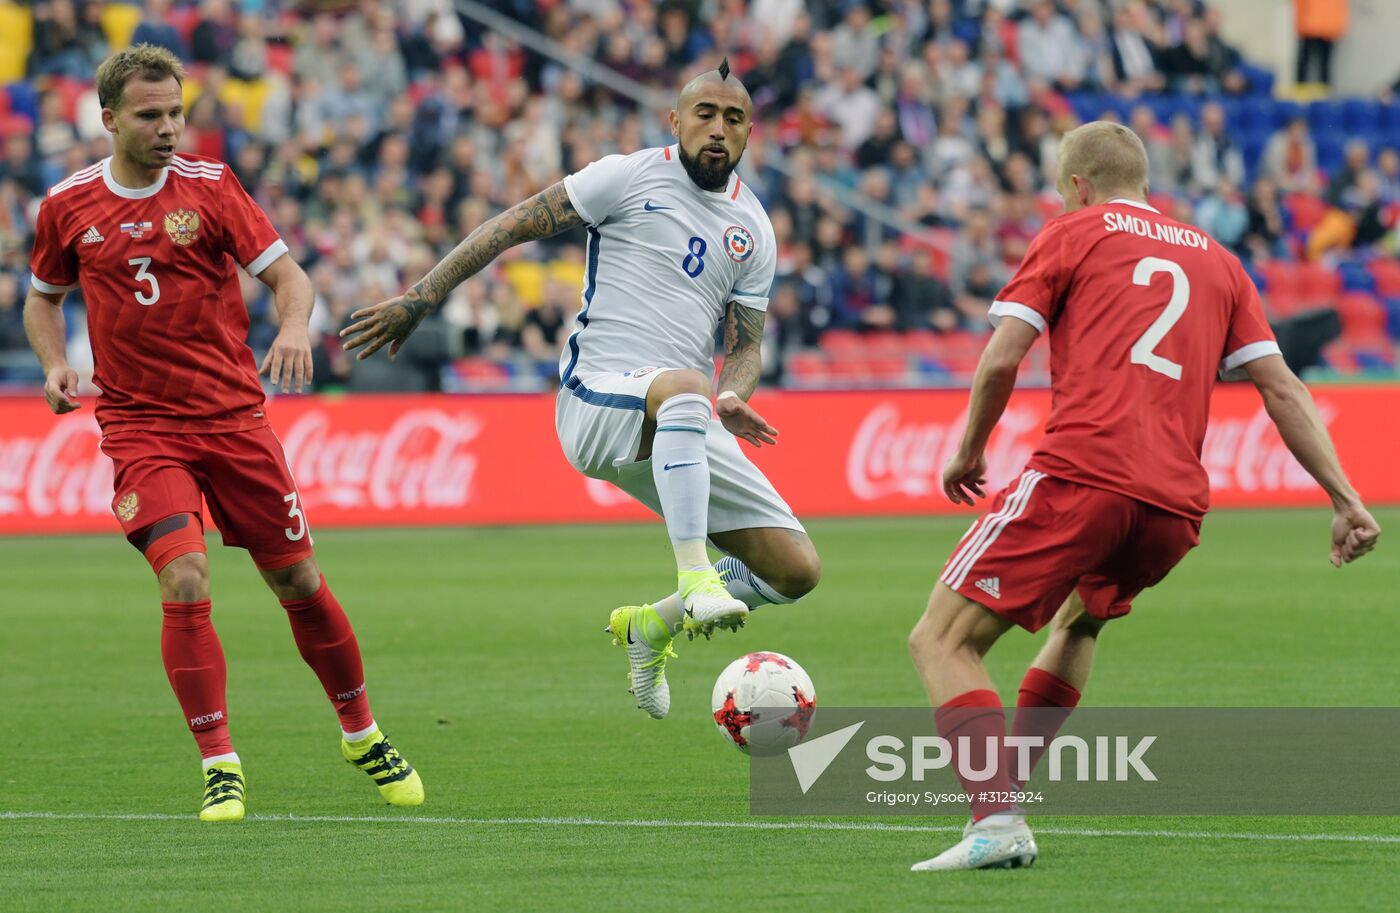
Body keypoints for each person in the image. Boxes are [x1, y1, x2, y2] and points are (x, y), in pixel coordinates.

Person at [906, 121, 1381, 872]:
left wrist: (968, 449)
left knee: (942, 639)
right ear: (1146, 181)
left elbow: (1001, 357)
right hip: (1173, 507)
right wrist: (1346, 497)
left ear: (1077, 185)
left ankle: (995, 820)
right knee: (1084, 622)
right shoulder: (1220, 261)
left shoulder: (1071, 233)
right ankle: (1004, 796)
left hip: (1084, 473)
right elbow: (1282, 386)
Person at [342, 59, 821, 720]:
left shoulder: (755, 229)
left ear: (748, 133)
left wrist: (734, 393)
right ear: (675, 121)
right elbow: (510, 226)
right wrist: (422, 297)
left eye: (733, 119)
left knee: (795, 569)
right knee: (685, 386)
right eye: (704, 115)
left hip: (678, 413)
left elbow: (744, 346)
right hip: (595, 397)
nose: (717, 129)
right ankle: (694, 573)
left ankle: (652, 625)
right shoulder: (625, 175)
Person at [23, 45, 422, 823]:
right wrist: (51, 365)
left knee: (298, 582)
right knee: (186, 580)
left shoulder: (212, 187)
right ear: (108, 119)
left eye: (177, 111)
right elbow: (43, 298)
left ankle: (361, 731)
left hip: (233, 418)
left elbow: (286, 276)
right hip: (141, 424)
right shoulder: (67, 205)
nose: (170, 127)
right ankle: (220, 762)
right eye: (151, 115)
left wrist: (297, 325)